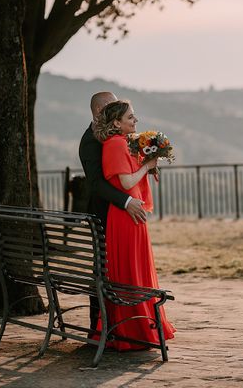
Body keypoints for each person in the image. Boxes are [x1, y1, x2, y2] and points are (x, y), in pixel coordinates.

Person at [93, 100, 176, 350]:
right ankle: (135, 329)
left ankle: (139, 326)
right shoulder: (115, 144)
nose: (135, 120)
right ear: (116, 122)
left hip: (131, 215)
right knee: (131, 271)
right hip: (124, 217)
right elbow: (127, 182)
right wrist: (146, 166)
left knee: (137, 270)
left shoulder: (123, 143)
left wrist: (147, 165)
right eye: (130, 117)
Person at [79, 92, 148, 332]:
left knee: (119, 271)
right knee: (103, 271)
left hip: (119, 214)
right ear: (101, 111)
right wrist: (126, 201)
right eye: (114, 105)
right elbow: (96, 183)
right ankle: (98, 326)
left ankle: (118, 325)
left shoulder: (114, 136)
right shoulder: (90, 141)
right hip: (104, 214)